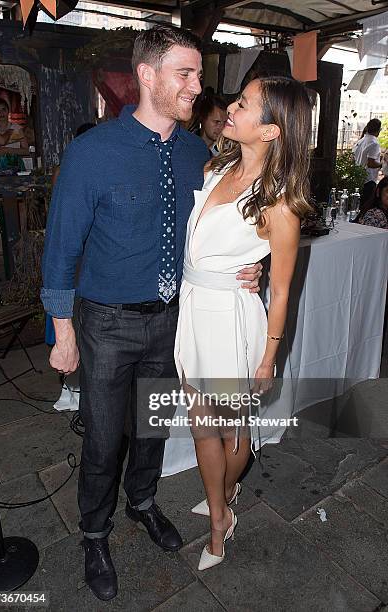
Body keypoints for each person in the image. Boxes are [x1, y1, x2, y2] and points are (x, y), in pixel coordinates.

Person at [40, 25, 261, 602]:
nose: (197, 86)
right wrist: (62, 329)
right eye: (184, 74)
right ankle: (94, 532)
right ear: (147, 75)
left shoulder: (198, 156)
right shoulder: (93, 153)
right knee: (103, 438)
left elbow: (222, 229)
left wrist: (247, 267)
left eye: (196, 74)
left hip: (174, 320)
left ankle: (141, 503)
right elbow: (61, 246)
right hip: (107, 323)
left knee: (152, 426)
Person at [174, 75, 312, 570]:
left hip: (232, 321)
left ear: (272, 131)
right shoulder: (218, 165)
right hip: (195, 310)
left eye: (246, 104)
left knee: (228, 432)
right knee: (202, 425)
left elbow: (282, 289)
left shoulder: (280, 206)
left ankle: (220, 509)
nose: (232, 106)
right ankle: (221, 499)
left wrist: (269, 357)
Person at [353, 118, 382, 206]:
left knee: (358, 206)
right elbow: (371, 163)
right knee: (366, 206)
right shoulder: (374, 143)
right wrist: (381, 164)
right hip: (368, 180)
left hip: (358, 177)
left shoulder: (361, 141)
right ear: (378, 130)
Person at [0, 97, 30, 165]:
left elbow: (26, 151)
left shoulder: (17, 128)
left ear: (8, 111)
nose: (1, 112)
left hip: (15, 165)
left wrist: (8, 150)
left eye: (4, 109)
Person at [195, 91, 227, 156]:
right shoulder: (187, 144)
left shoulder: (226, 152)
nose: (222, 128)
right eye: (217, 122)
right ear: (203, 118)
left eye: (225, 123)